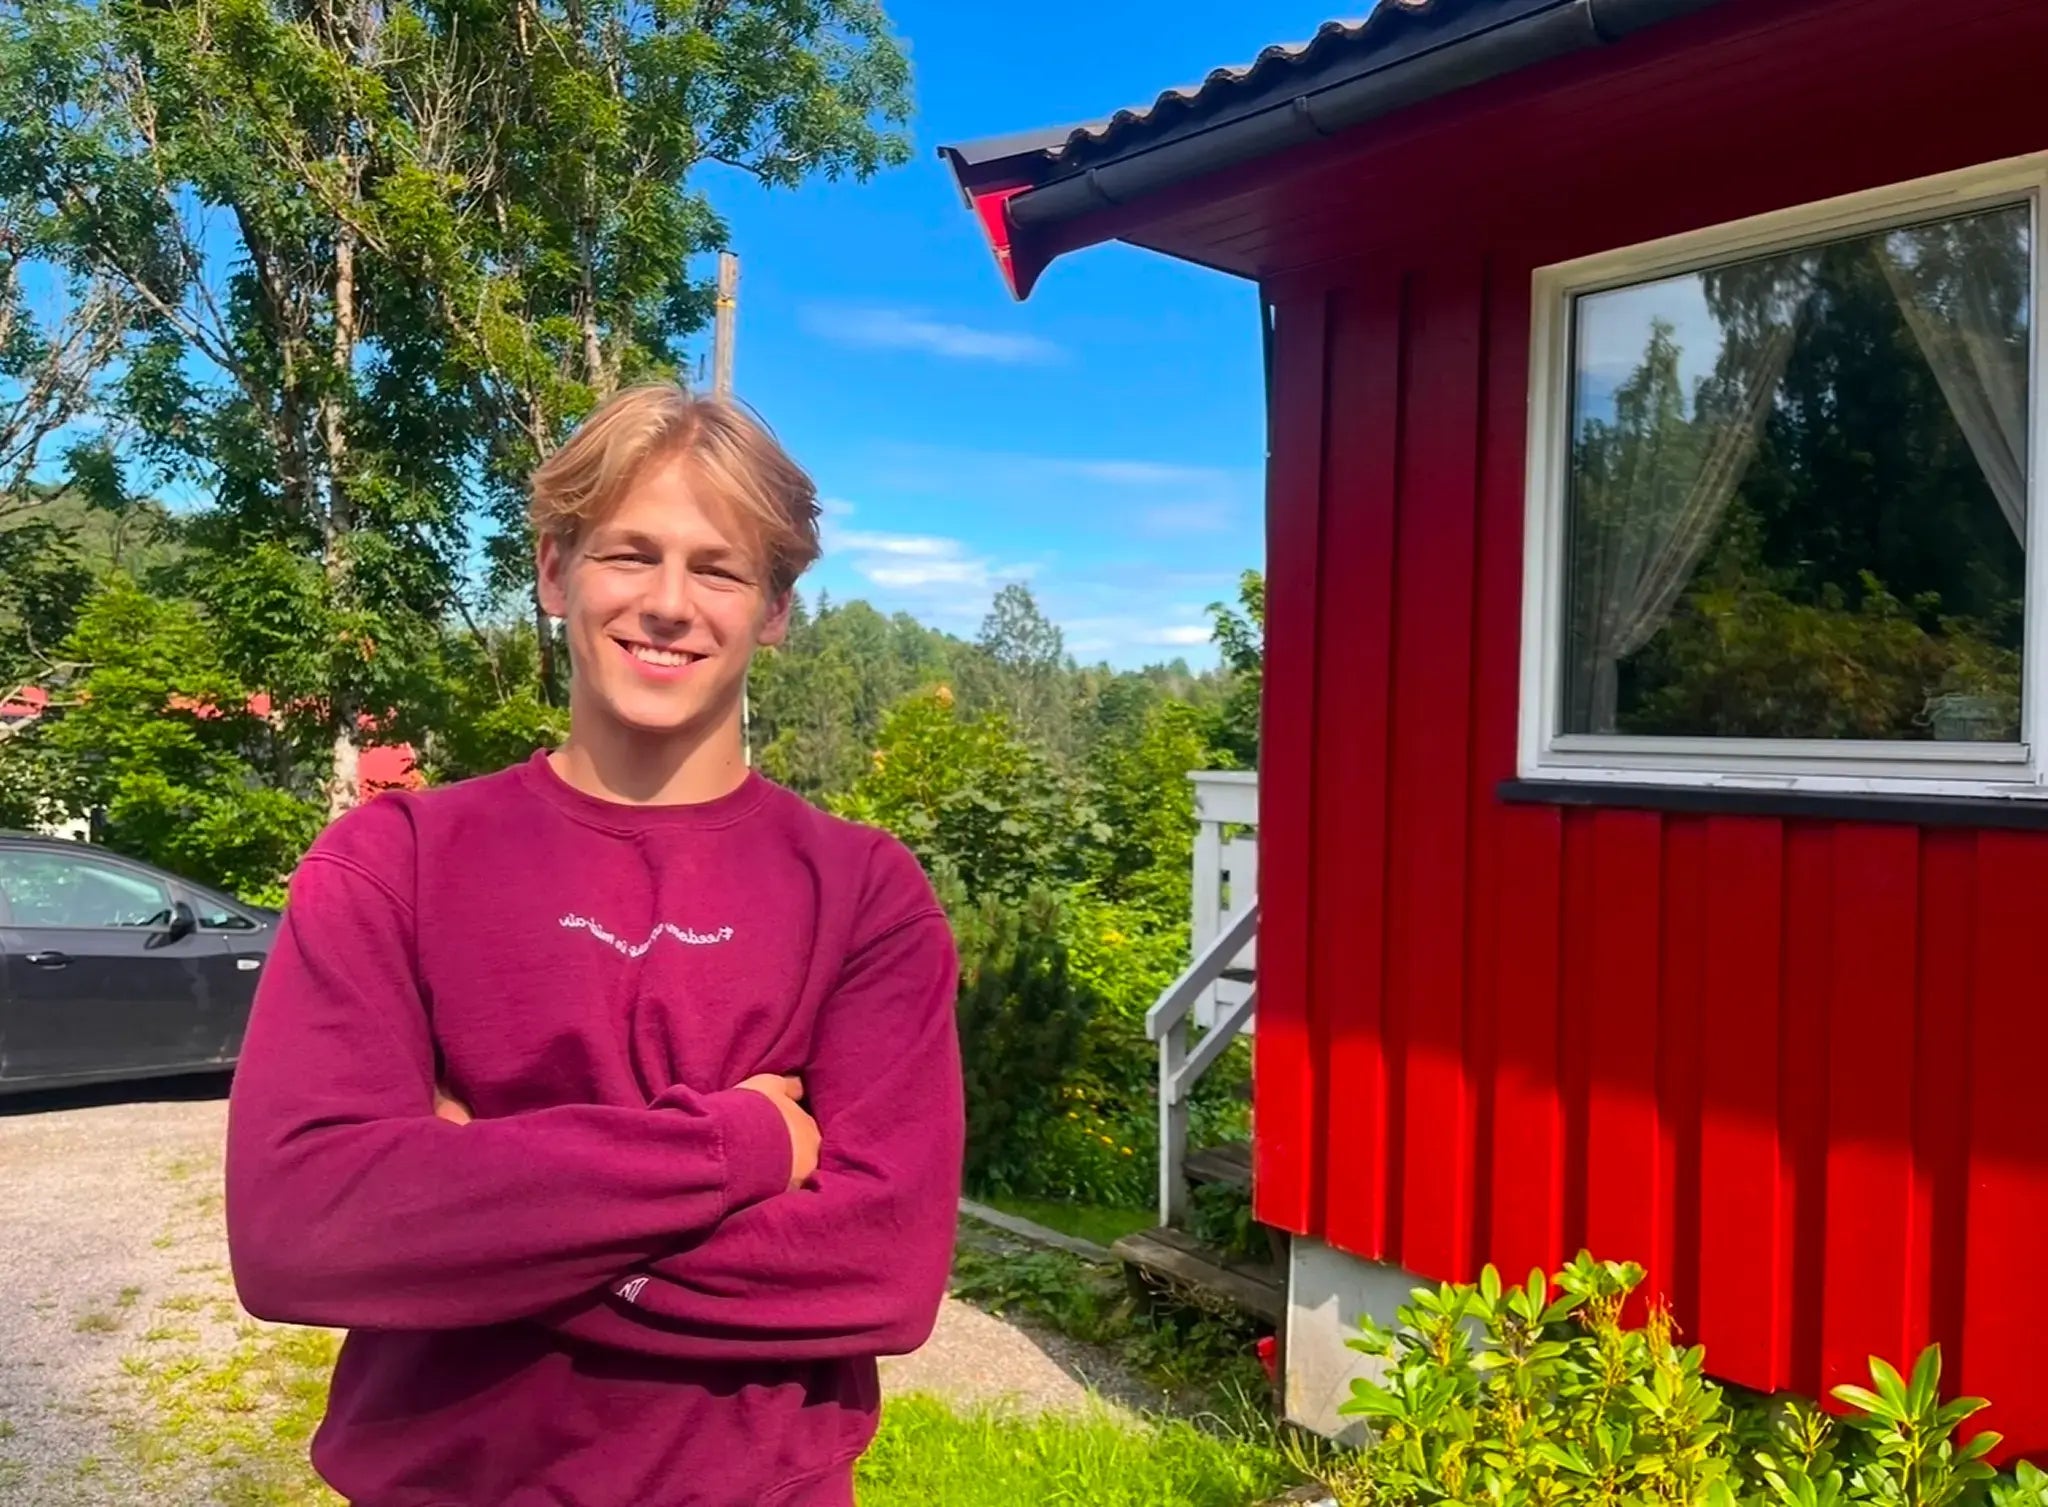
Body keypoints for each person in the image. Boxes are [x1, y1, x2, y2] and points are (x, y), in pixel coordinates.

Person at [224, 385, 965, 1507]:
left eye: (717, 568)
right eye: (630, 555)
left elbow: (884, 1272)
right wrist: (745, 1143)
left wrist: (475, 1216)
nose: (668, 604)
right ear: (555, 573)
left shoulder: (862, 894)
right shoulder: (394, 863)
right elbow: (301, 1230)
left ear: (773, 609)